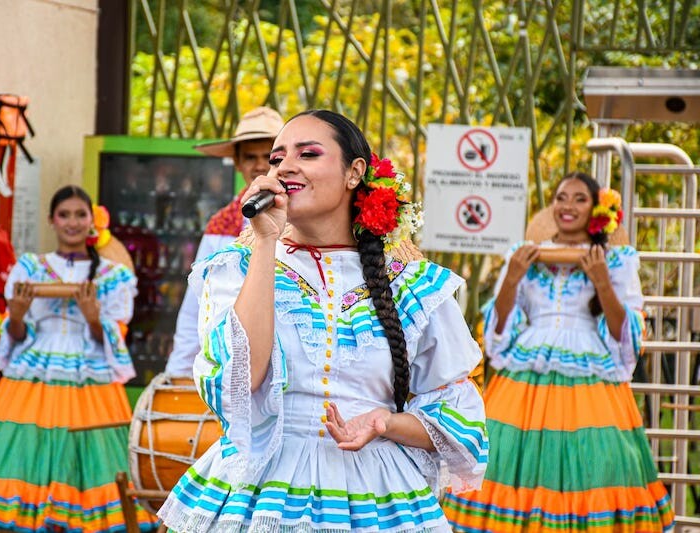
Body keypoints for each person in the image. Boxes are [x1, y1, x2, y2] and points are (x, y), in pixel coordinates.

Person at [156, 109, 488, 532]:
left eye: (308, 154)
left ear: (355, 173)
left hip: (377, 498)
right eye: (277, 159)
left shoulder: (414, 284)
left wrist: (383, 422)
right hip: (260, 495)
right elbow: (241, 379)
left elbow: (459, 417)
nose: (284, 167)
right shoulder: (234, 268)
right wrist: (265, 241)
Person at [442, 172, 675, 532]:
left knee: (596, 463)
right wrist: (513, 276)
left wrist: (601, 280)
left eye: (580, 198)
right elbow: (498, 332)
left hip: (591, 375)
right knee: (509, 462)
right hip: (526, 374)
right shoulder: (524, 255)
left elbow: (626, 335)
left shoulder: (616, 261)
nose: (568, 205)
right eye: (562, 197)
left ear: (596, 209)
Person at [0, 186, 157, 532]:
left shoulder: (112, 276)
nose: (72, 222)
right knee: (27, 458)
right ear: (51, 220)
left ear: (92, 222)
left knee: (87, 461)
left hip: (90, 378)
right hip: (33, 376)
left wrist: (93, 318)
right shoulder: (30, 268)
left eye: (80, 215)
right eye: (64, 214)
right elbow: (16, 336)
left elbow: (111, 339)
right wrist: (16, 316)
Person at [166, 105, 284, 377]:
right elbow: (196, 304)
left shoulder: (304, 219)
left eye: (268, 156)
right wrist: (178, 373)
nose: (259, 165)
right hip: (231, 364)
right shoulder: (221, 225)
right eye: (250, 157)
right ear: (238, 163)